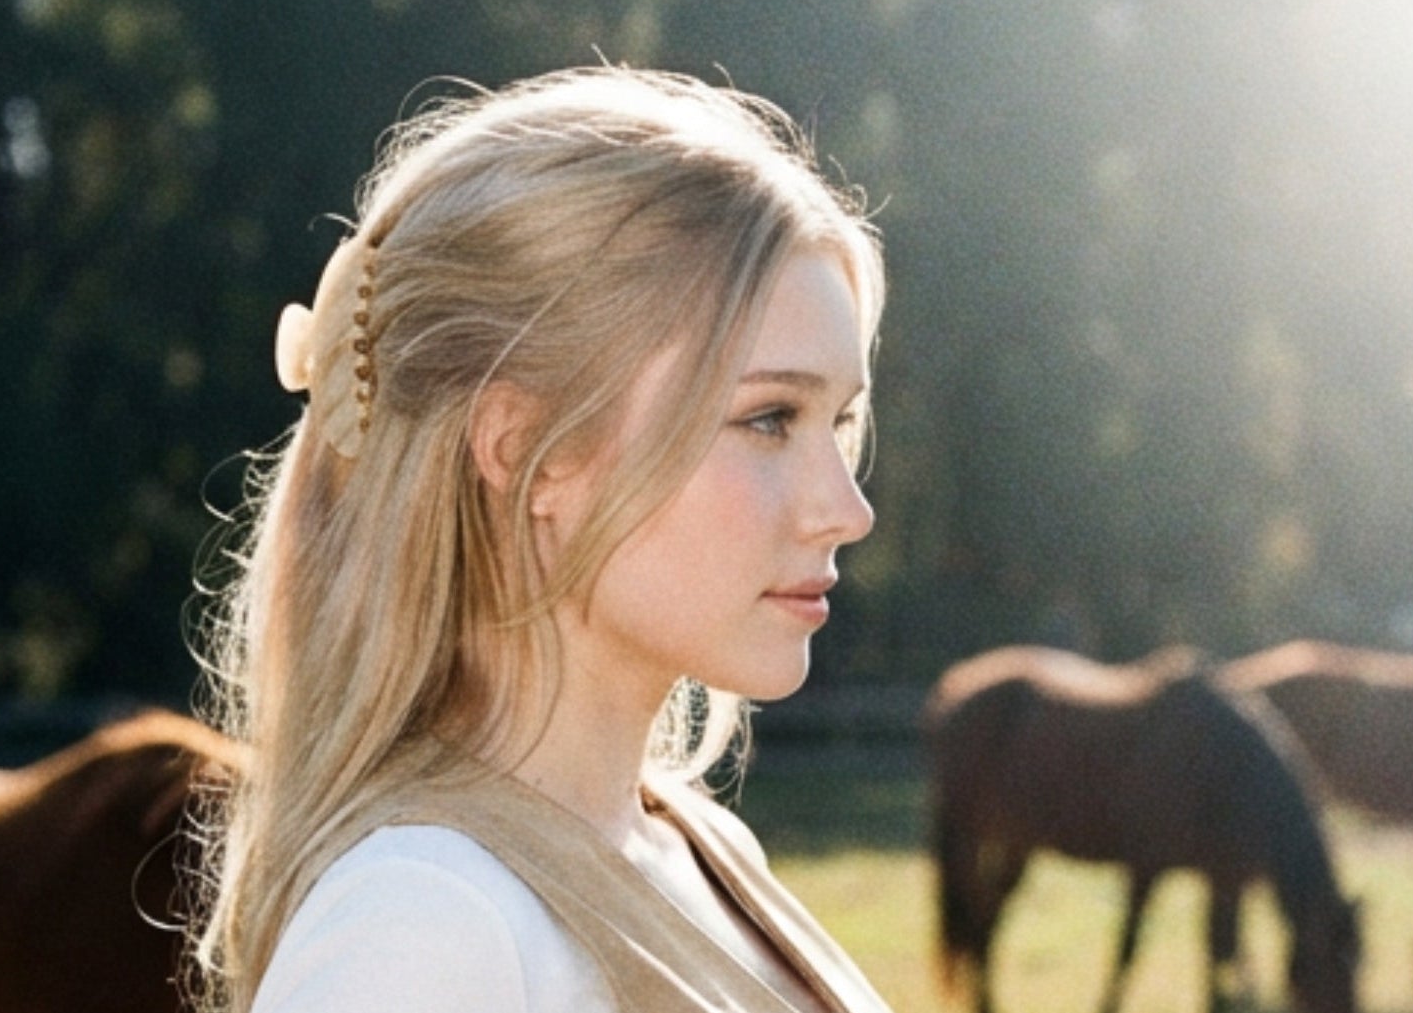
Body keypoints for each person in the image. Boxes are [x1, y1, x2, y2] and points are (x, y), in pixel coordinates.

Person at [189, 66, 894, 1013]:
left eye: (837, 422)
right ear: (526, 452)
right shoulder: (425, 925)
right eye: (769, 418)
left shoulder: (701, 851)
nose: (846, 509)